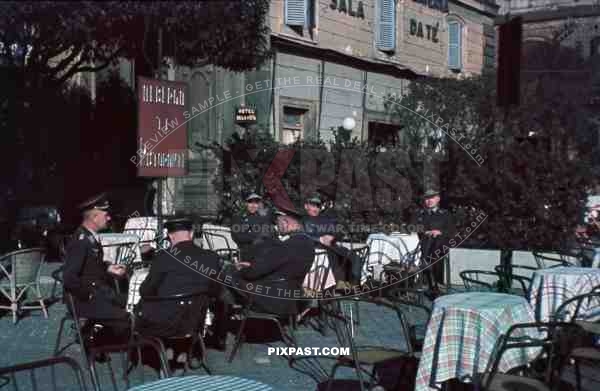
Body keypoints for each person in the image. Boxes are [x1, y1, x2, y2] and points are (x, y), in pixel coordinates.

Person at [62, 193, 130, 341]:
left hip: (100, 291)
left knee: (131, 302)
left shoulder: (90, 237)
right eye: (106, 215)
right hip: (84, 300)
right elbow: (69, 278)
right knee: (126, 317)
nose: (109, 218)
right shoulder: (81, 241)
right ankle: (94, 341)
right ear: (94, 217)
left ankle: (93, 334)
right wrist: (89, 294)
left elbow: (91, 265)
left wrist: (108, 268)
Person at [233, 203, 316, 316]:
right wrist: (252, 266)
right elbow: (281, 269)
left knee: (227, 275)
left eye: (278, 222)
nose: (277, 226)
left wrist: (241, 270)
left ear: (285, 223)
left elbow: (253, 274)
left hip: (272, 301)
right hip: (290, 300)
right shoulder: (309, 245)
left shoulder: (285, 246)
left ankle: (221, 323)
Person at [303, 194, 361, 288]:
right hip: (316, 248)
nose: (316, 208)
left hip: (331, 246)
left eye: (318, 206)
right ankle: (340, 283)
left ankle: (354, 285)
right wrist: (320, 239)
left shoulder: (325, 219)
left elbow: (338, 230)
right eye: (313, 205)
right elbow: (301, 234)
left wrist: (332, 236)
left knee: (355, 257)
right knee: (331, 255)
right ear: (306, 206)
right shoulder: (302, 220)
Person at [414, 189, 452, 298]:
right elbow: (412, 227)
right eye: (427, 198)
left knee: (436, 248)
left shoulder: (445, 214)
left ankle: (436, 285)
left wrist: (440, 232)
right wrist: (425, 232)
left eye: (432, 198)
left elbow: (452, 231)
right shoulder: (419, 214)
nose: (429, 200)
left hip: (438, 245)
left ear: (438, 199)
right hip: (421, 245)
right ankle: (418, 283)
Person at [231, 192, 275, 262]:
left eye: (256, 203)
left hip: (264, 251)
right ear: (246, 203)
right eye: (250, 202)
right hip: (246, 251)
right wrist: (257, 236)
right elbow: (237, 236)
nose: (253, 205)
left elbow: (270, 234)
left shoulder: (263, 218)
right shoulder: (238, 217)